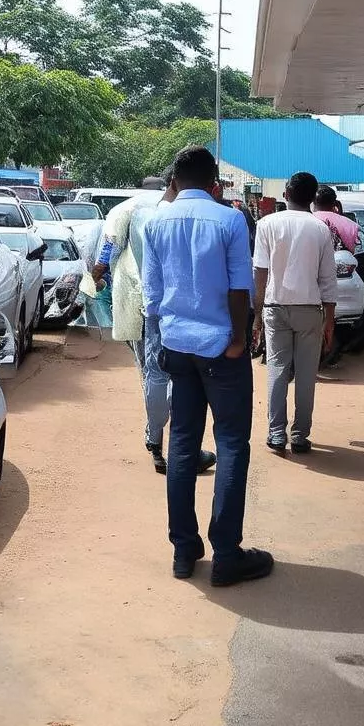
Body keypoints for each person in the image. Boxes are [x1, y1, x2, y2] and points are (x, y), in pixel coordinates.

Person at [143, 146, 273, 587]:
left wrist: (163, 337)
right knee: (232, 443)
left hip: (177, 346)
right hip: (221, 348)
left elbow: (152, 294)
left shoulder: (156, 222)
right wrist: (239, 339)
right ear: (214, 183)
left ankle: (184, 549)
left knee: (182, 443)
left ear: (173, 181)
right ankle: (227, 555)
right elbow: (240, 287)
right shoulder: (229, 220)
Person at [92, 173, 215, 476]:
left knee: (152, 373)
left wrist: (97, 274)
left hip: (141, 301)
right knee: (179, 376)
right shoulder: (187, 213)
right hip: (185, 306)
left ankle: (155, 439)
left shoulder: (128, 209)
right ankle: (178, 447)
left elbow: (108, 247)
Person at [252, 171, 338, 454]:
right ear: (313, 198)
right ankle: (300, 435)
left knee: (277, 370)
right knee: (306, 374)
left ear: (286, 194)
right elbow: (328, 279)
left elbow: (260, 272)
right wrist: (330, 320)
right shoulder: (320, 229)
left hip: (275, 307)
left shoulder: (266, 224)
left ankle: (276, 434)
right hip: (310, 309)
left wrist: (257, 314)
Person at [314, 185, 360, 252]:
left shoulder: (305, 220)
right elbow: (359, 250)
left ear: (311, 202)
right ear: (334, 202)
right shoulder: (353, 226)